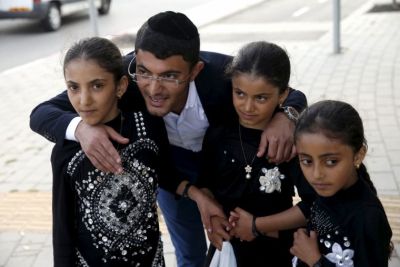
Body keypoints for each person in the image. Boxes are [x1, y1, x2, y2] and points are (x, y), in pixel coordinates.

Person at [30, 11, 307, 267]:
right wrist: (81, 129)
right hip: (168, 171)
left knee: (236, 243)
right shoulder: (124, 77)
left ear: (195, 71)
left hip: (226, 170)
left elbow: (290, 94)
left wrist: (287, 117)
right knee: (189, 252)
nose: (153, 87)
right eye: (145, 72)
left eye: (170, 76)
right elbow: (42, 113)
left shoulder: (224, 77)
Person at [49, 37, 220, 267]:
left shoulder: (147, 124)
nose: (84, 100)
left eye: (97, 85)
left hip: (149, 260)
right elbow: (62, 228)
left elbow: (165, 174)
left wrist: (198, 196)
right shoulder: (67, 149)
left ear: (120, 86)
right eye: (73, 87)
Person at [196, 41, 315, 267]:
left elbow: (313, 206)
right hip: (226, 251)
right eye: (240, 93)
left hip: (277, 253)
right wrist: (213, 219)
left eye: (261, 98)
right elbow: (205, 184)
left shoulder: (289, 143)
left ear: (283, 95)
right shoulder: (218, 133)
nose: (248, 107)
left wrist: (256, 225)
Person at [290, 100, 392, 267]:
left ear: (358, 156)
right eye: (307, 161)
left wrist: (315, 260)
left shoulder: (367, 218)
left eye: (331, 162)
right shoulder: (328, 188)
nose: (316, 174)